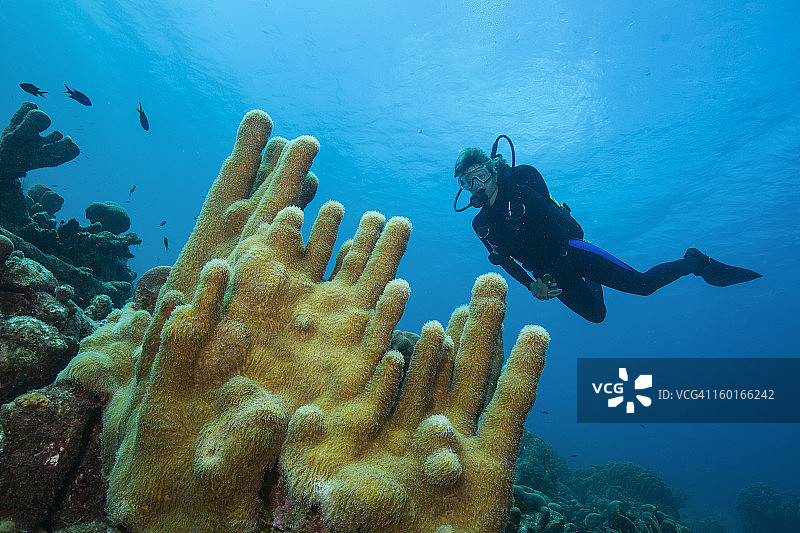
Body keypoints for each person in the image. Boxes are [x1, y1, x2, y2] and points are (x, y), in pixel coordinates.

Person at [453, 138, 762, 323]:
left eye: (479, 175)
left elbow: (554, 230)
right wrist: (533, 284)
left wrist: (547, 274)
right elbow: (504, 260)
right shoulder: (480, 225)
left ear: (492, 171)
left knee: (642, 285)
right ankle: (589, 280)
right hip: (548, 274)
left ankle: (694, 261)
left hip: (570, 251)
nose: (476, 186)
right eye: (468, 182)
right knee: (597, 315)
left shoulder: (521, 193)